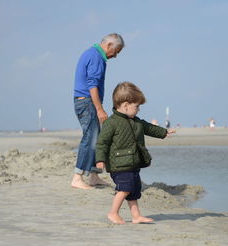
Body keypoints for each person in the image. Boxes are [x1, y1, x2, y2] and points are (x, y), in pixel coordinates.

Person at [96, 82, 175, 224]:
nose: (138, 110)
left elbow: (149, 128)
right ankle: (113, 213)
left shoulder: (136, 121)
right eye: (137, 106)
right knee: (125, 189)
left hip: (133, 163)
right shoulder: (111, 123)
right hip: (118, 165)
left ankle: (136, 216)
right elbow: (102, 143)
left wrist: (164, 132)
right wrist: (100, 160)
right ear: (125, 105)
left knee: (134, 191)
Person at [71, 33, 125, 190]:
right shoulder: (96, 57)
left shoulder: (92, 53)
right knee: (90, 138)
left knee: (97, 138)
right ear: (108, 45)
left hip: (87, 102)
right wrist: (100, 109)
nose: (115, 56)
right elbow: (92, 84)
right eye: (116, 51)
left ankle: (94, 176)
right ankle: (77, 177)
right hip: (87, 102)